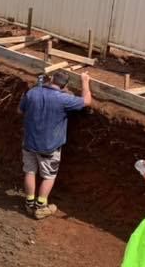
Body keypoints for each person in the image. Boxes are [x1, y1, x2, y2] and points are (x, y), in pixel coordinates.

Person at [17, 71, 92, 219]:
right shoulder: (64, 99)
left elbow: (19, 110)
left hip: (29, 143)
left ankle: (29, 203)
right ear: (65, 86)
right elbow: (86, 101)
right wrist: (85, 81)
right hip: (49, 147)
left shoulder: (32, 92)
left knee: (30, 172)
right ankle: (40, 207)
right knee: (48, 176)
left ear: (50, 79)